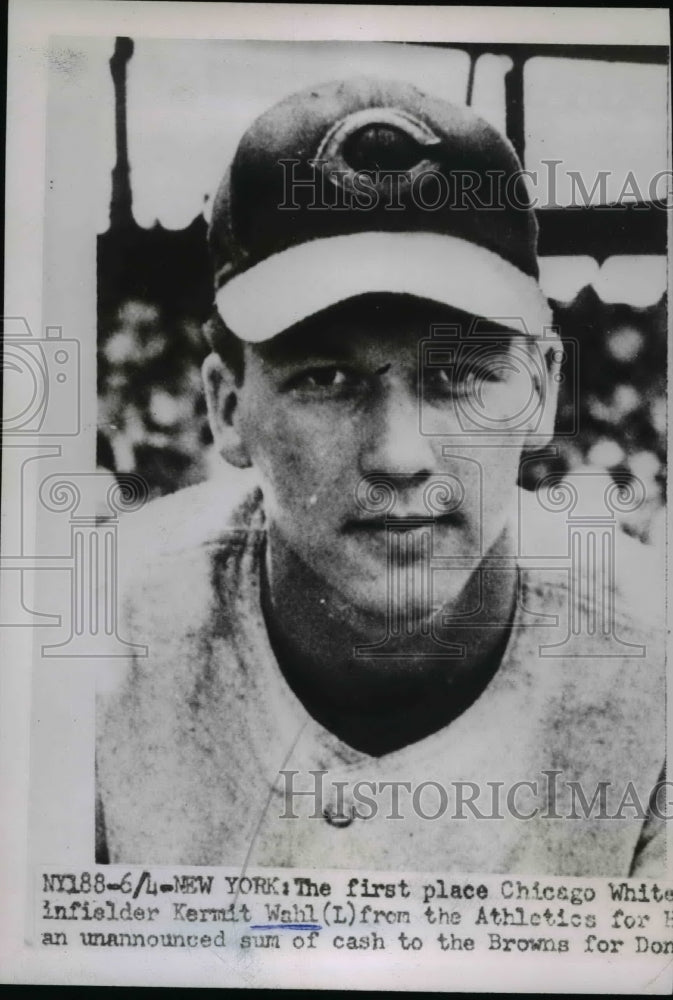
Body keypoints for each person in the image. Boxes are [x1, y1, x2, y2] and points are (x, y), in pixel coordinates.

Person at [96, 77, 665, 874]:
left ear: (541, 392)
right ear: (227, 407)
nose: (400, 454)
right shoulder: (85, 640)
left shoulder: (658, 663)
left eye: (461, 375)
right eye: (326, 378)